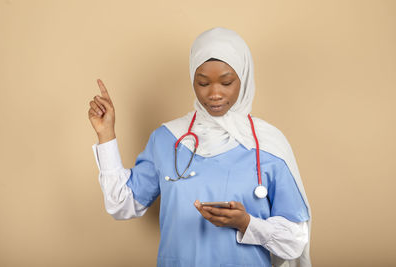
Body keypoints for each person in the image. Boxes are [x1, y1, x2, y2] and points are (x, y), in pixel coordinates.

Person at [88, 27, 312, 267]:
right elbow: (121, 204)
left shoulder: (268, 146)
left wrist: (247, 223)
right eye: (203, 82)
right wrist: (106, 134)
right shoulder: (167, 139)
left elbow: (295, 240)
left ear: (244, 78)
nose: (214, 94)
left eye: (227, 82)